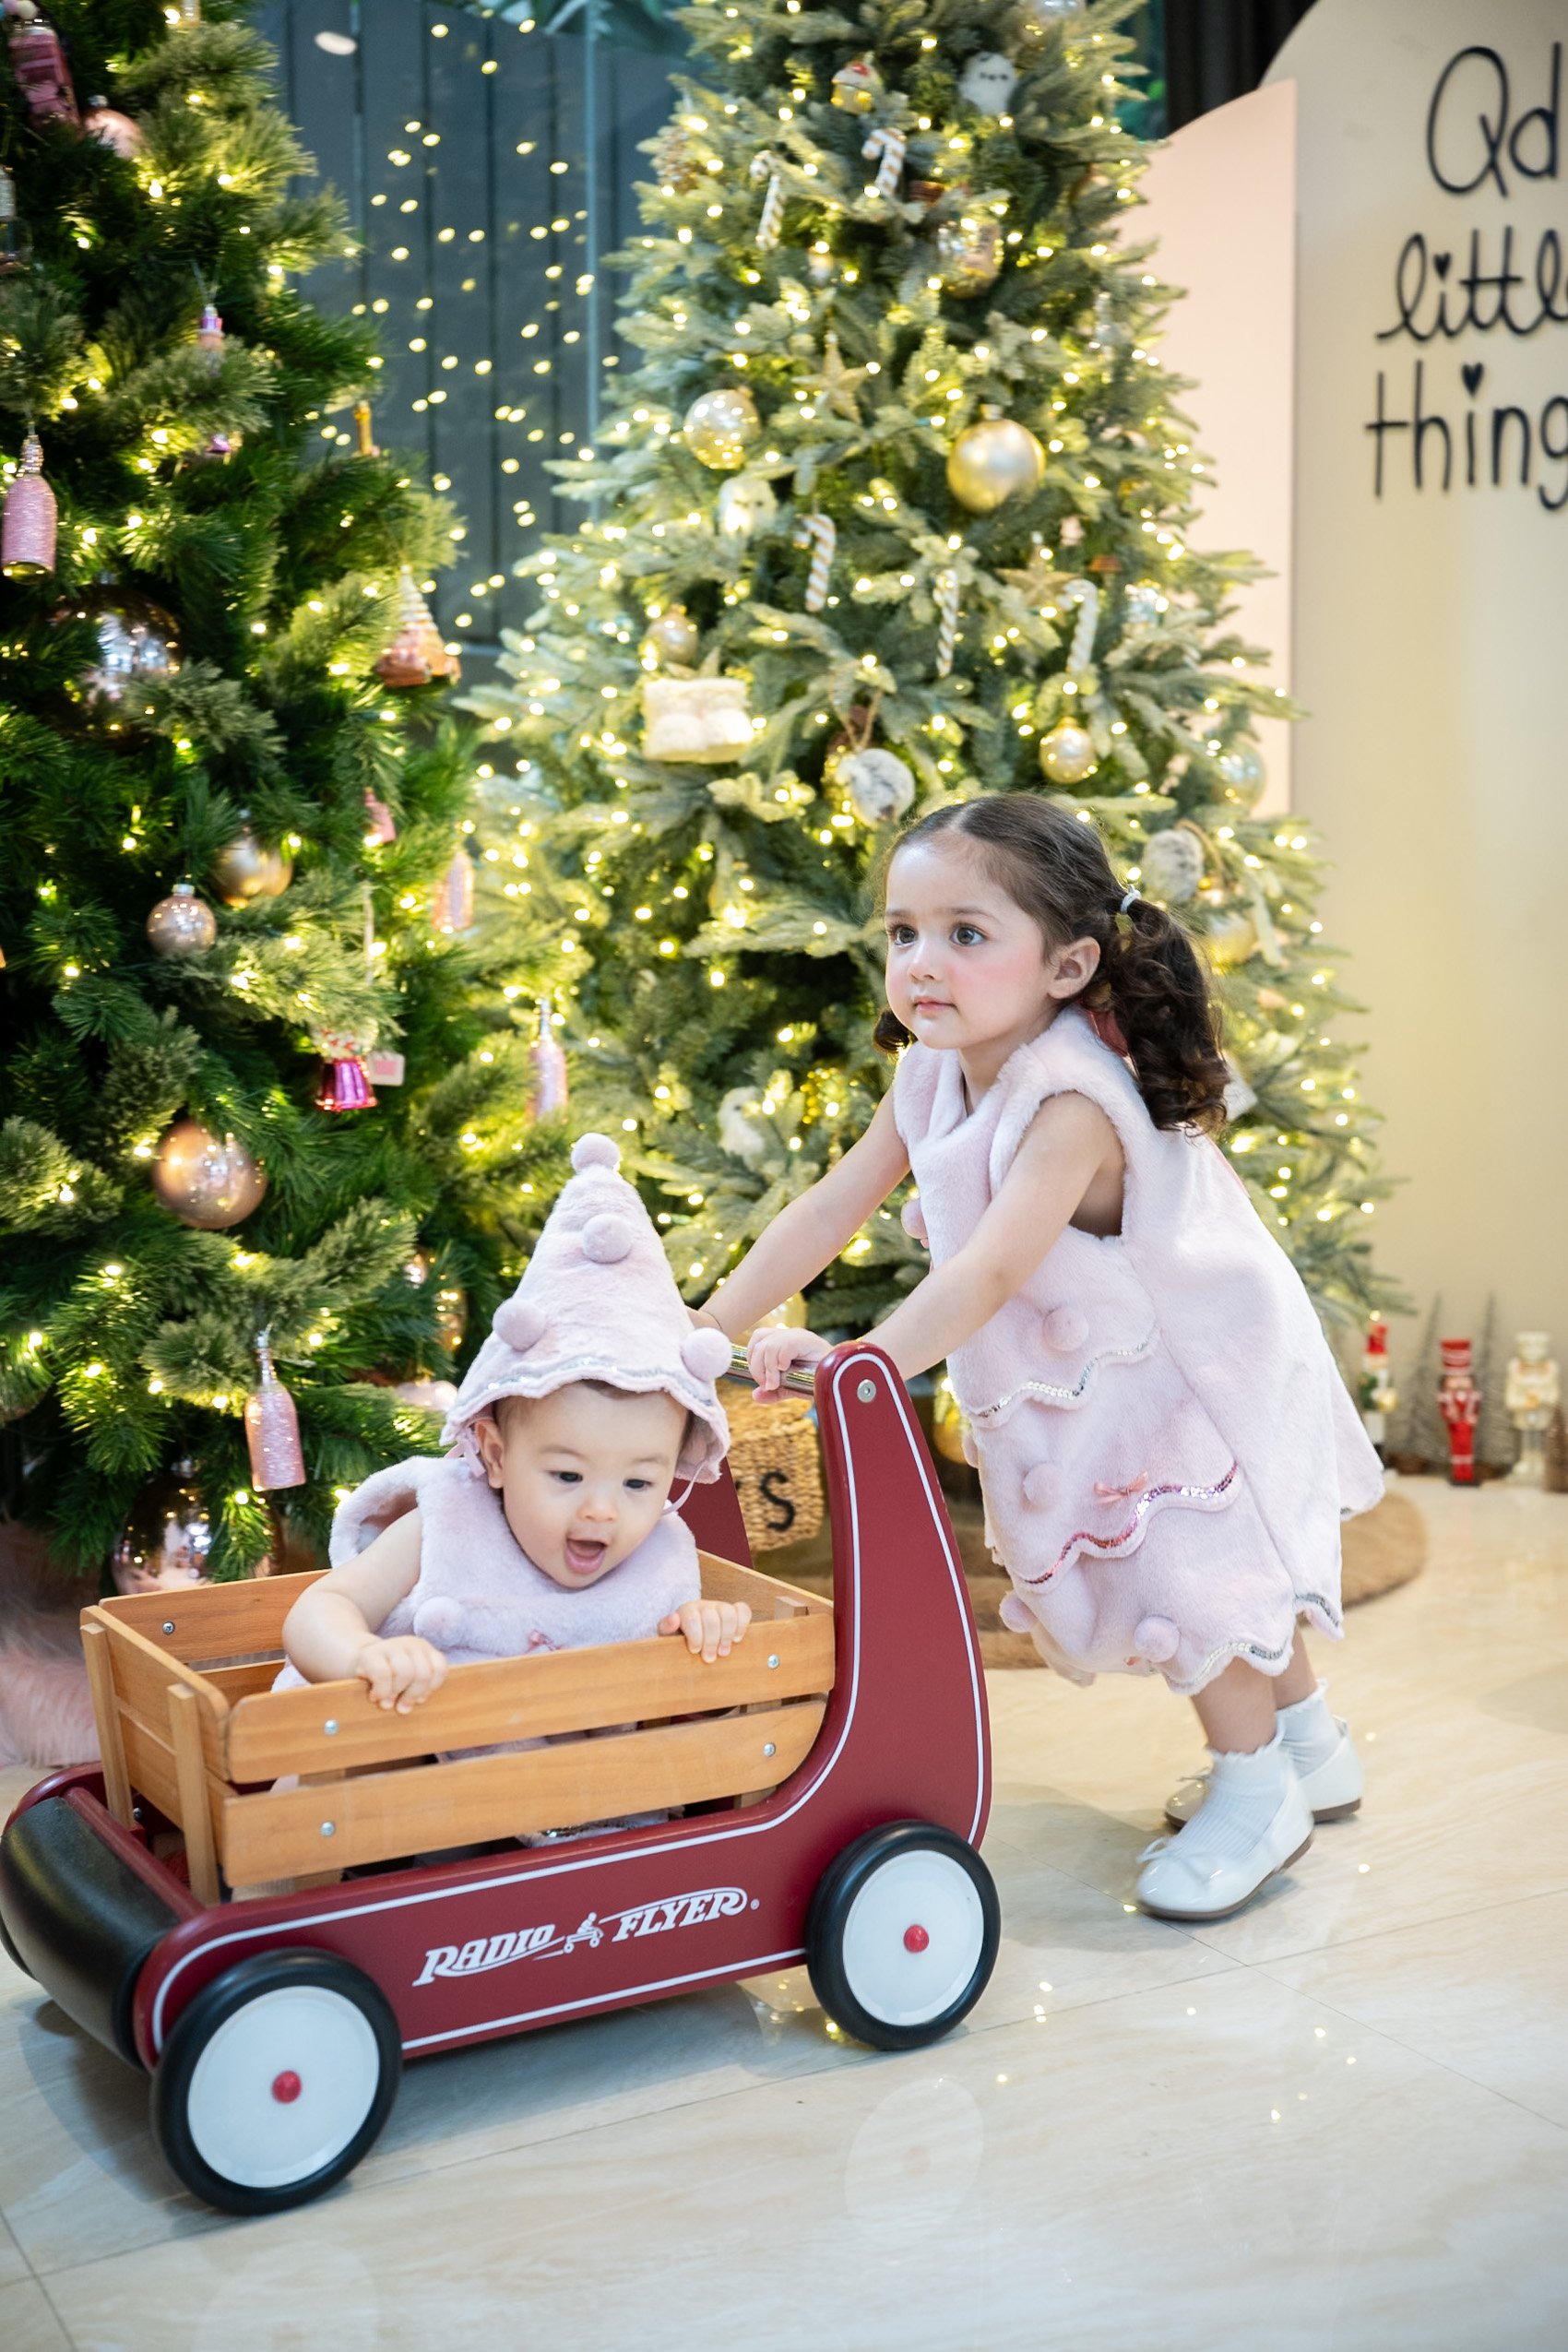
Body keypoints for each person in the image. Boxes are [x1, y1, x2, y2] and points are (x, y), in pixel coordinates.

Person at [693, 795, 1382, 1922]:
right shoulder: (928, 1073)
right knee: (1205, 1573)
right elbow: (827, 1208)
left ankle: (1258, 1792)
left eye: (966, 935)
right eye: (902, 932)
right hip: (1095, 1388)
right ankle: (1311, 1746)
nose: (921, 963)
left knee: (1190, 1581)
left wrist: (864, 1366)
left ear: (1065, 966)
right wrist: (709, 1324)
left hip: (1179, 1383)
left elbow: (987, 1273)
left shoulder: (1069, 1102)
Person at [280, 1133, 749, 1722]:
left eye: (637, 1484)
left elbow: (677, 1727)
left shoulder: (660, 1558)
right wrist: (362, 1656)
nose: (603, 1510)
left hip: (564, 1803)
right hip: (403, 1777)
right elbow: (321, 1607)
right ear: (496, 1455)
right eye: (567, 1474)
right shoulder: (447, 1523)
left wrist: (704, 1630)